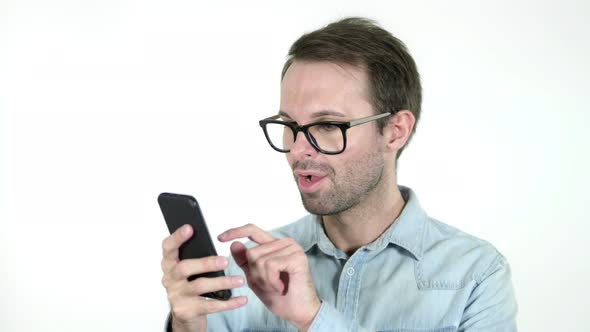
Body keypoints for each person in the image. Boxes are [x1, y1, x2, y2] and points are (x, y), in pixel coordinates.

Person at [160, 17, 518, 332]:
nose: (299, 149)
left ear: (395, 130)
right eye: (289, 125)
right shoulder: (245, 270)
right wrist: (187, 326)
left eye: (328, 124)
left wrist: (315, 320)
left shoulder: (476, 275)